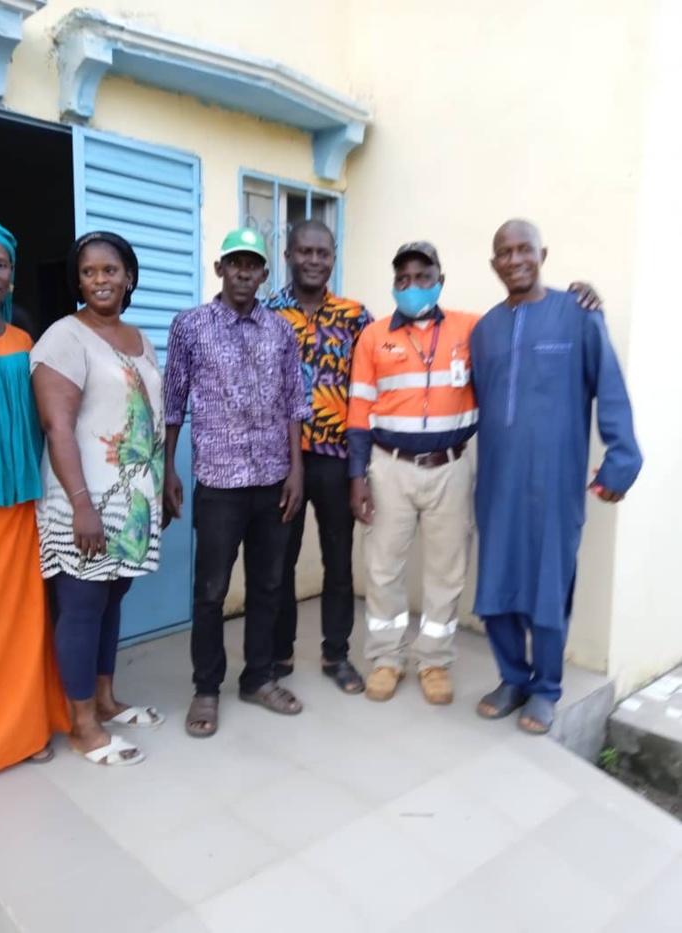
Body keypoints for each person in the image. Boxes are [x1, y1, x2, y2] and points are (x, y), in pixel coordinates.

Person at [471, 219, 642, 735]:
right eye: (504, 251)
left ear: (543, 253)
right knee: (496, 585)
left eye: (525, 249)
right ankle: (511, 678)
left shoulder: (578, 316)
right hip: (498, 484)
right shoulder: (484, 330)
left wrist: (621, 461)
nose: (515, 259)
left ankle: (546, 688)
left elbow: (609, 390)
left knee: (549, 589)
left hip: (555, 485)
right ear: (494, 263)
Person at [163, 228, 310, 737]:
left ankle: (259, 677)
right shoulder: (190, 326)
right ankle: (207, 689)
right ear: (220, 269)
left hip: (273, 480)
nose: (244, 272)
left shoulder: (281, 332)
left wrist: (296, 470)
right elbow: (173, 401)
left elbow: (296, 402)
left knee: (268, 585)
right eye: (235, 263)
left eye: (253, 265)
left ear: (266, 274)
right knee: (211, 591)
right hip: (220, 483)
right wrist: (167, 470)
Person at [31, 231, 165, 767]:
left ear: (129, 276)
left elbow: (147, 418)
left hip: (130, 501)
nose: (101, 280)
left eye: (111, 270)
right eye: (89, 272)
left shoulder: (140, 338)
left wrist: (159, 490)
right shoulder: (64, 337)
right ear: (78, 281)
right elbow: (56, 426)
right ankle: (82, 724)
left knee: (112, 599)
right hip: (80, 500)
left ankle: (106, 701)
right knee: (82, 607)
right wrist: (82, 504)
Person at [348, 242, 479, 704]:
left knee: (448, 571)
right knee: (383, 569)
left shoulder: (470, 328)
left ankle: (435, 662)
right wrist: (357, 476)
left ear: (439, 280)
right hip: (390, 467)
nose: (412, 286)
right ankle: (387, 658)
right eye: (402, 279)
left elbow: (518, 329)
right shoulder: (374, 336)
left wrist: (578, 298)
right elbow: (359, 410)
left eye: (422, 277)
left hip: (452, 467)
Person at [266, 220, 372, 694]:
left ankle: (337, 653)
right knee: (279, 560)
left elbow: (379, 374)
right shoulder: (267, 313)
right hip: (279, 460)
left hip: (334, 457)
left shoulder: (355, 316)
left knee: (338, 559)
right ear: (287, 255)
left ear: (333, 257)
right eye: (304, 251)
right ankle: (280, 649)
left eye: (322, 253)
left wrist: (360, 469)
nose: (313, 260)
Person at [0, 216, 70, 777]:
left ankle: (26, 728)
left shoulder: (25, 343)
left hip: (17, 511)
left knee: (22, 622)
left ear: (12, 277)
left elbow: (49, 422)